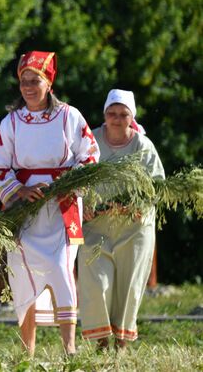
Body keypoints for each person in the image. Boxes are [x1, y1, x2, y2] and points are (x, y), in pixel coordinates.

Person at [0, 51, 100, 356]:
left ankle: (69, 348)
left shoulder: (69, 116)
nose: (28, 87)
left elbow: (89, 155)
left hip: (61, 208)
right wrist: (19, 191)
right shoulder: (11, 122)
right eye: (24, 81)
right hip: (25, 211)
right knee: (22, 275)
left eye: (35, 81)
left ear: (49, 83)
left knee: (62, 270)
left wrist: (63, 185)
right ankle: (28, 350)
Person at [78, 89, 164, 350]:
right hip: (96, 226)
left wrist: (134, 205)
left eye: (123, 114)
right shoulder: (89, 141)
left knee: (128, 287)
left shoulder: (142, 146)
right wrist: (82, 206)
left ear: (131, 117)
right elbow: (74, 179)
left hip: (134, 227)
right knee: (95, 282)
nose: (116, 119)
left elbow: (157, 187)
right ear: (104, 115)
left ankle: (121, 345)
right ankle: (102, 342)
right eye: (111, 113)